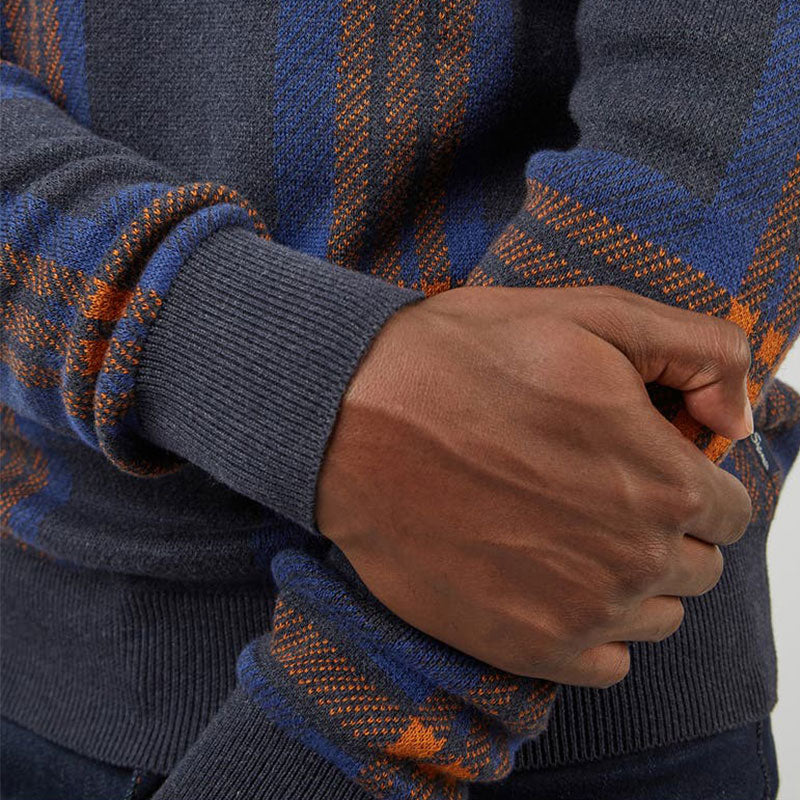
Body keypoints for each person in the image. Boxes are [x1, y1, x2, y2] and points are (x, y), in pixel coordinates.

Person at [1, 1, 798, 798]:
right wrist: (275, 362)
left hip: (568, 723)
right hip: (32, 666)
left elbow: (743, 106)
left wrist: (342, 726)